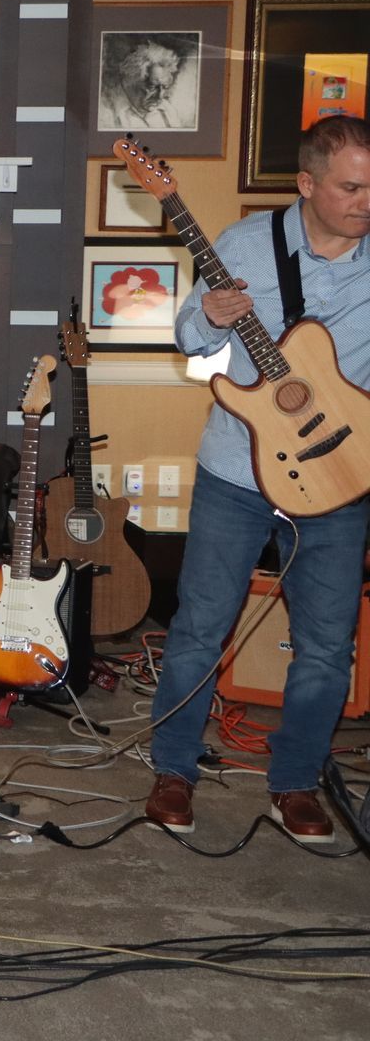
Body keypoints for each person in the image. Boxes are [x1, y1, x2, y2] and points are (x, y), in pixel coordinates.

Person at [144, 114, 370, 843]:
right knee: (200, 627)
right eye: (351, 187)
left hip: (337, 475)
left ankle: (295, 782)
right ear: (307, 184)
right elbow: (188, 339)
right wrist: (208, 315)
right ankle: (174, 769)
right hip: (238, 475)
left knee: (328, 647)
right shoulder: (245, 244)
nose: (366, 200)